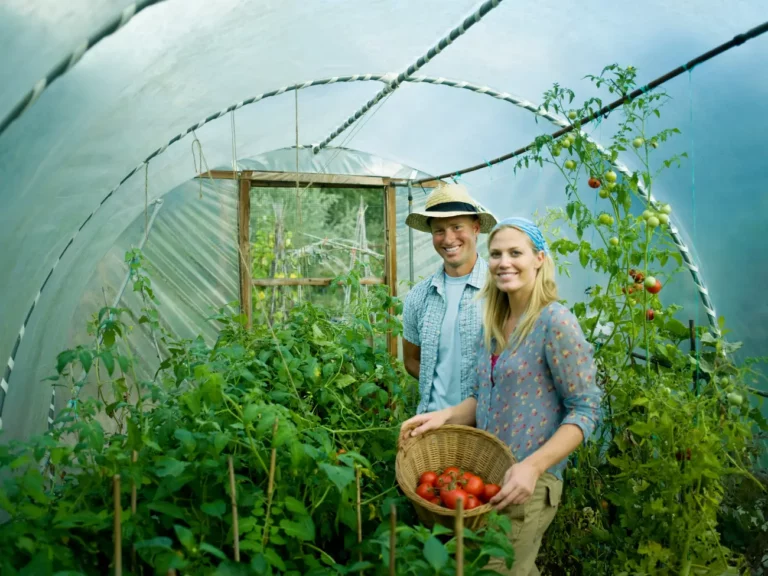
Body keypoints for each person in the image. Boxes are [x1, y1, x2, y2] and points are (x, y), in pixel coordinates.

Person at [400, 216, 602, 576]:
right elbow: (484, 398)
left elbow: (584, 410)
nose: (504, 262)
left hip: (530, 481)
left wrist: (533, 467)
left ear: (539, 258)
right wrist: (442, 417)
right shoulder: (495, 321)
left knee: (498, 569)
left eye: (515, 253)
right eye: (496, 254)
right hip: (492, 475)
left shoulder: (554, 322)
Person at [401, 182, 497, 416]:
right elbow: (411, 360)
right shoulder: (419, 296)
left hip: (486, 425)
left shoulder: (499, 290)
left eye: (457, 227)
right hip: (433, 424)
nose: (448, 238)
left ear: (475, 228)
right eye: (439, 230)